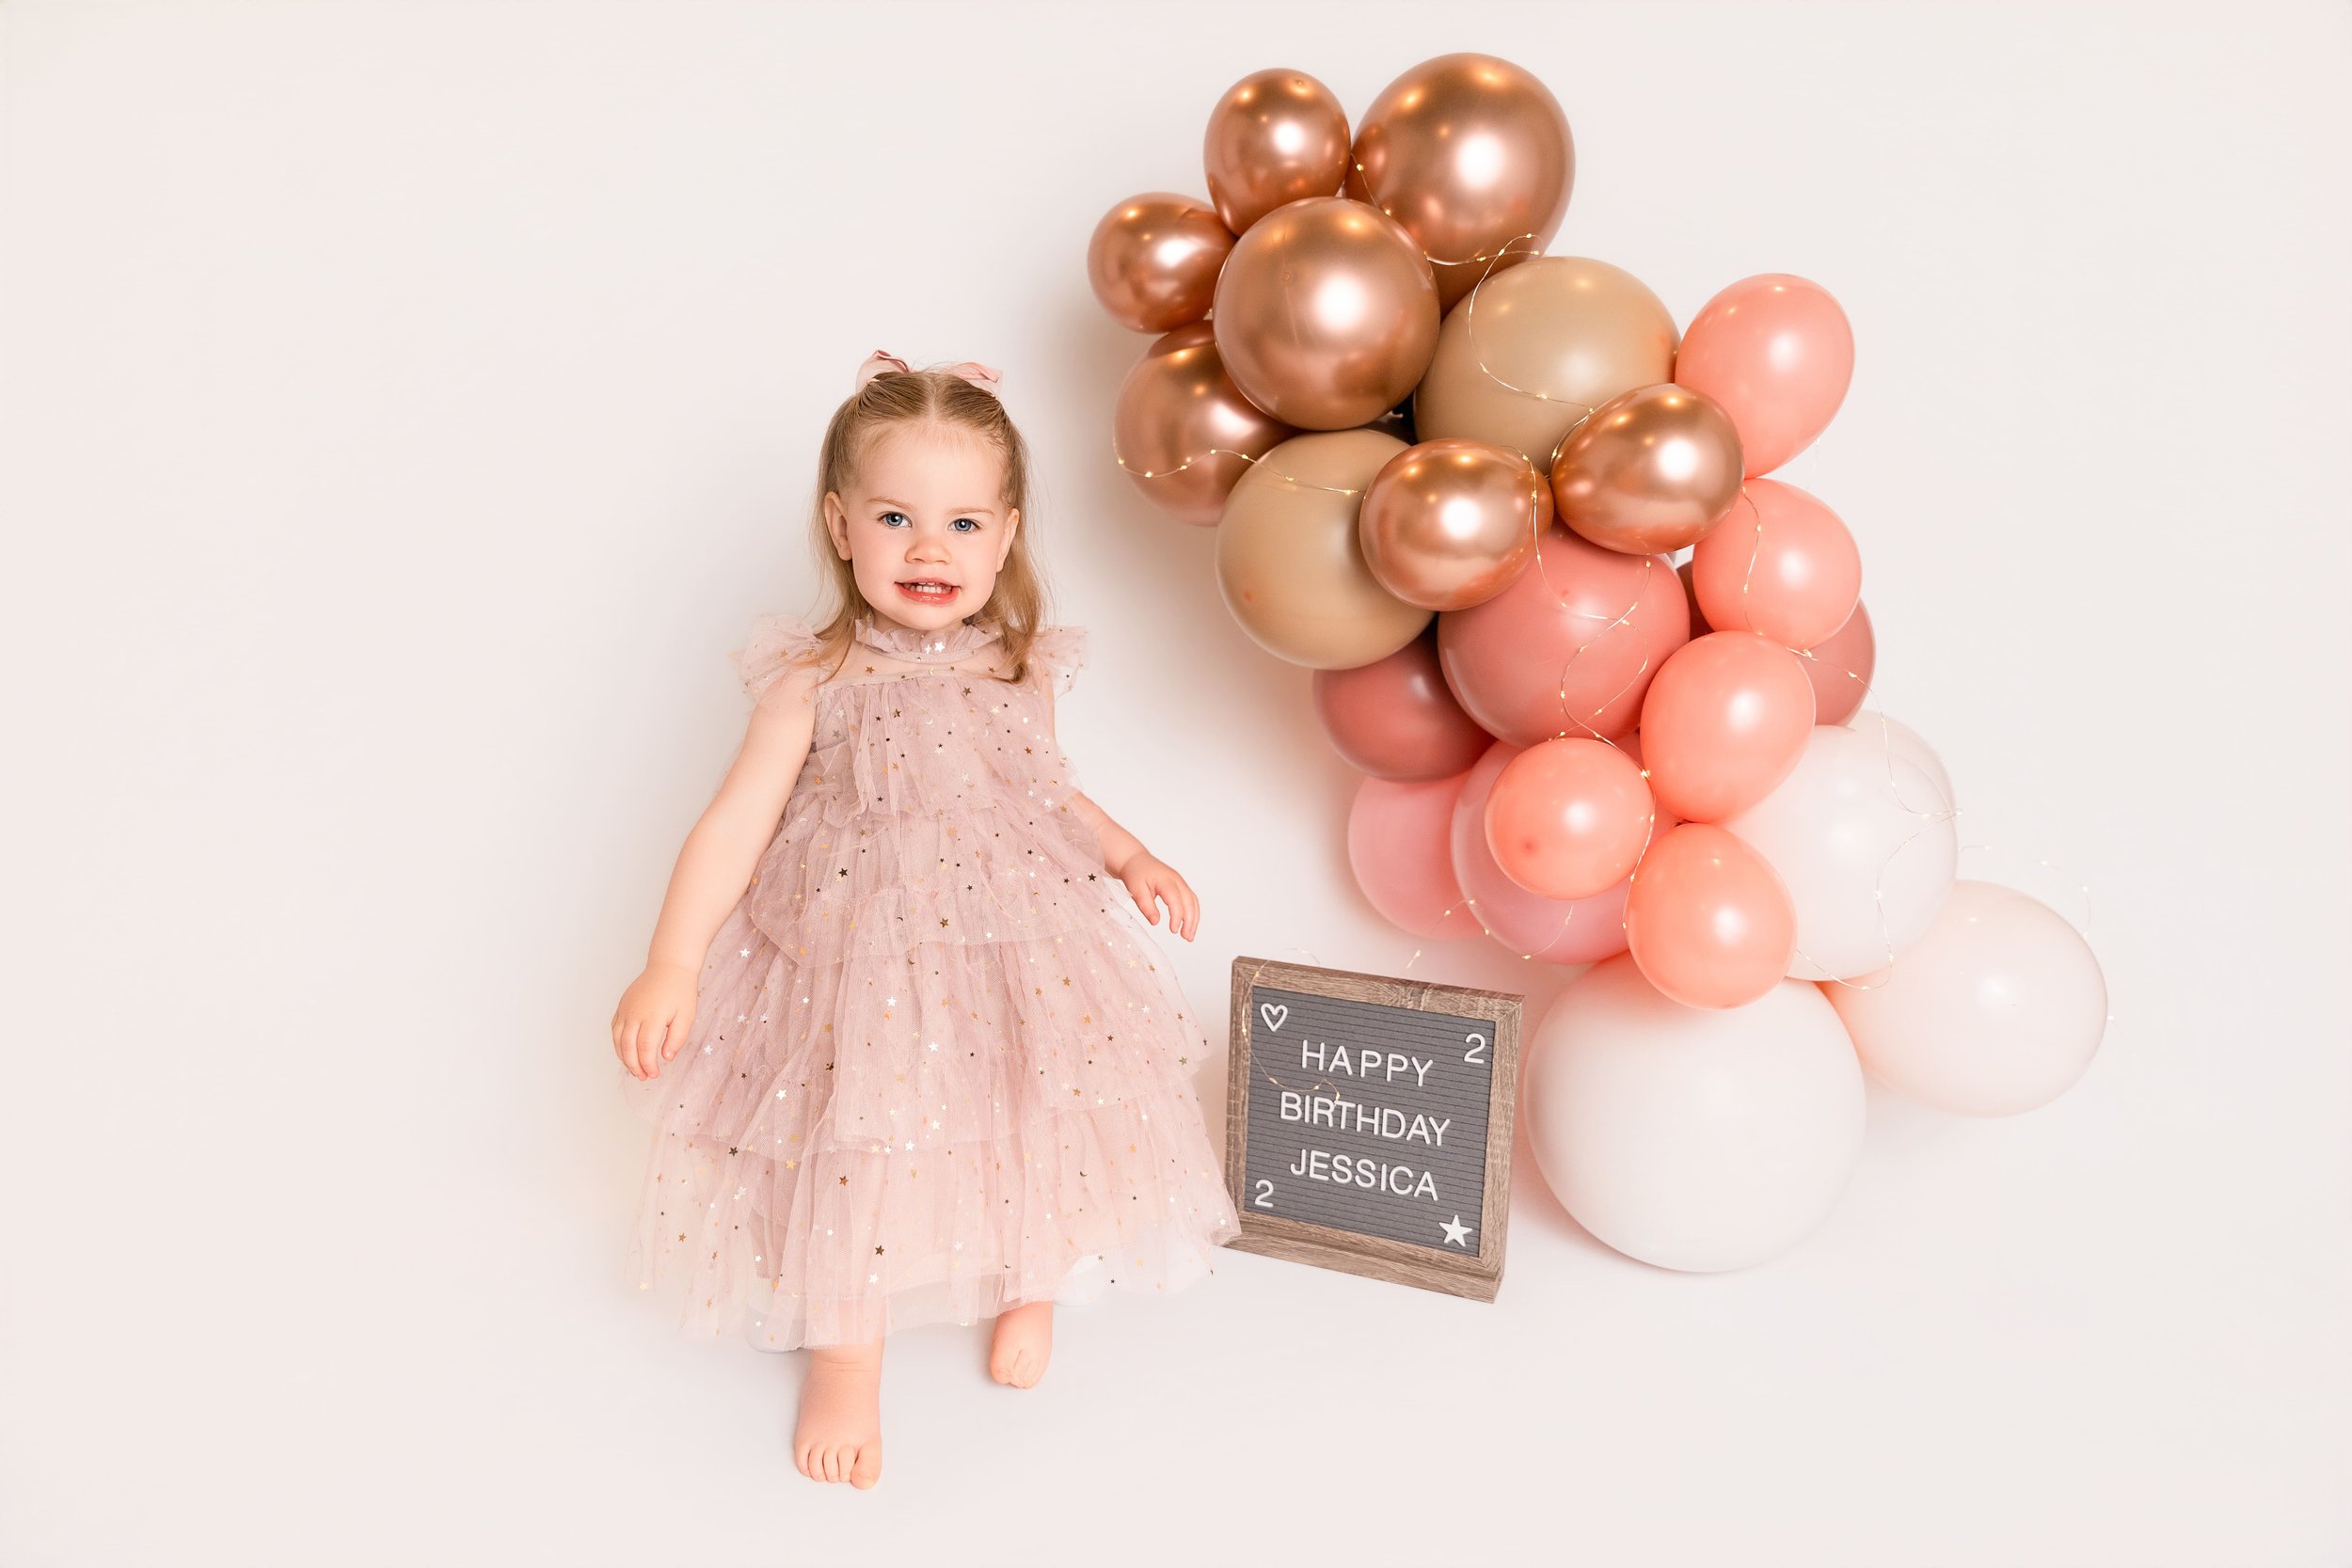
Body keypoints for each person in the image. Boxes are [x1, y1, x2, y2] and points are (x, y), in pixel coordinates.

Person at [611, 351, 1242, 1488]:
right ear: (840, 524)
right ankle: (847, 1353)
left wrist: (1129, 852)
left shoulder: (1017, 671)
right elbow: (733, 823)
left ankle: (1030, 1273)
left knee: (1030, 1098)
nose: (928, 550)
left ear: (1005, 537)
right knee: (854, 1138)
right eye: (896, 517)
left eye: (961, 523)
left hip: (1016, 941)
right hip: (853, 954)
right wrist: (672, 960)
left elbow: (1046, 791)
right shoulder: (813, 679)